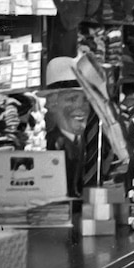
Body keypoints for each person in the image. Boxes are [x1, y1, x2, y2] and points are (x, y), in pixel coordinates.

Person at [42, 56, 91, 197]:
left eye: (85, 99)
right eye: (71, 99)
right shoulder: (54, 144)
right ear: (52, 104)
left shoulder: (87, 140)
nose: (80, 107)